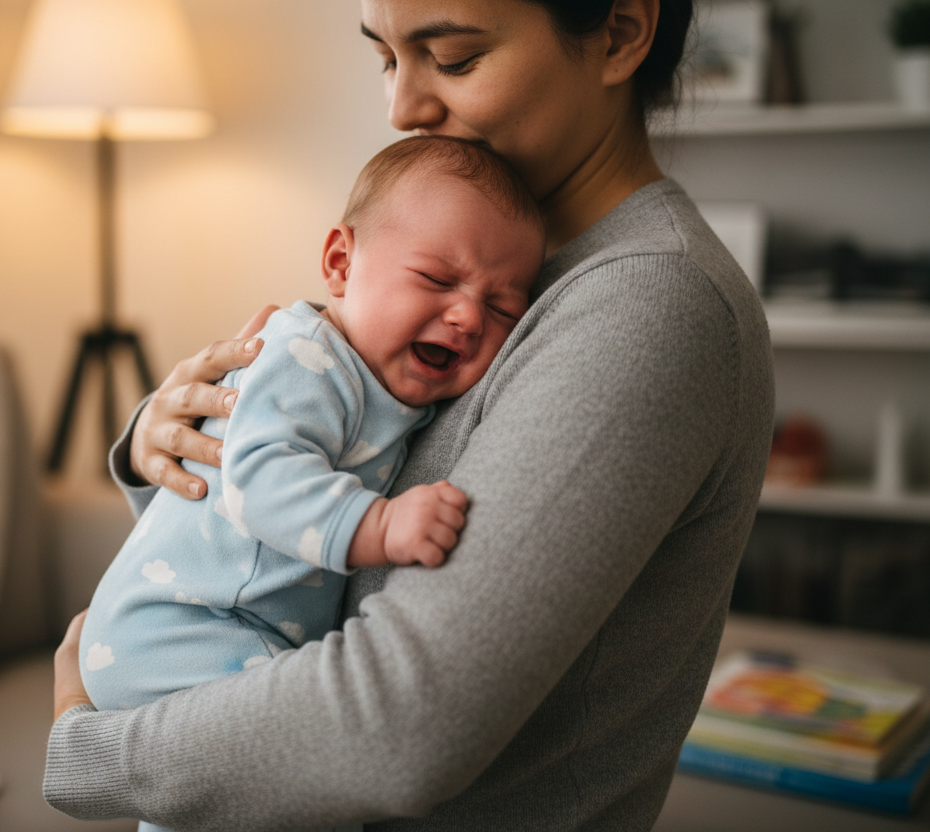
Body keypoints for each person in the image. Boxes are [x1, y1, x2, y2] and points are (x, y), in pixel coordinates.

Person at [46, 1, 776, 830]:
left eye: (455, 59)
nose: (402, 109)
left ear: (618, 31)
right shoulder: (488, 268)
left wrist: (92, 751)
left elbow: (400, 724)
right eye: (387, 59)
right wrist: (171, 439)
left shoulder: (649, 304)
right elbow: (281, 548)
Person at [78, 136, 545, 725]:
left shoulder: (393, 383)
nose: (470, 317)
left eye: (503, 308)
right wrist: (380, 524)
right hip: (183, 624)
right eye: (436, 278)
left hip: (225, 622)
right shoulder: (307, 359)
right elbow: (259, 477)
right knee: (318, 735)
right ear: (340, 265)